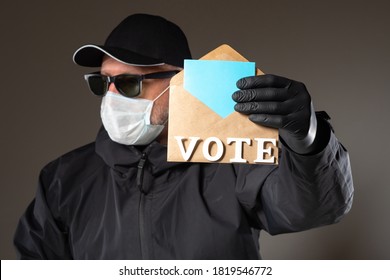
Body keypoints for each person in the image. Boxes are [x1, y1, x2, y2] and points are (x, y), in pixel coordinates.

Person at [14, 13, 354, 260]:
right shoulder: (62, 178)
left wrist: (309, 139)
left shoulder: (232, 158)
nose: (112, 97)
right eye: (103, 83)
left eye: (131, 83)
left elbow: (313, 209)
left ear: (180, 82)